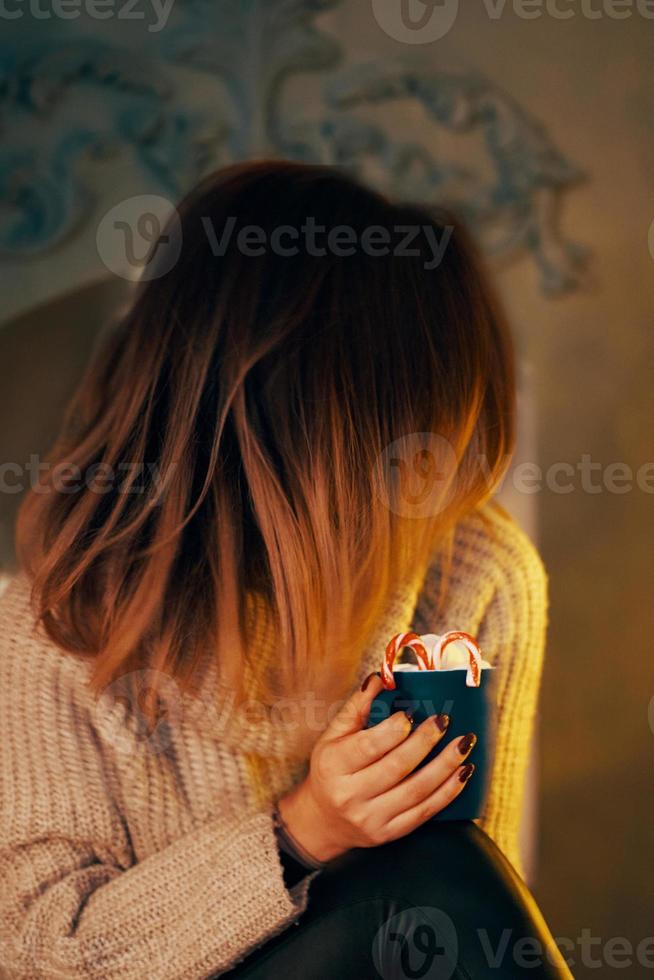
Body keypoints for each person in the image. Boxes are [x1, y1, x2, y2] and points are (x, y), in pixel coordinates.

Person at [0, 161, 570, 978]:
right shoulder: (54, 629)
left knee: (450, 879)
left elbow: (482, 903)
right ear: (271, 436)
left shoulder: (475, 574)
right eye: (408, 445)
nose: (435, 482)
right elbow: (34, 955)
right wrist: (299, 833)